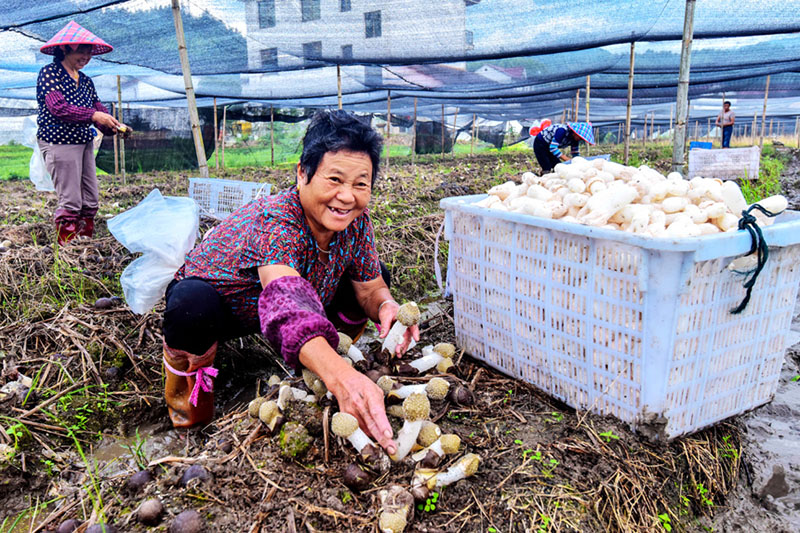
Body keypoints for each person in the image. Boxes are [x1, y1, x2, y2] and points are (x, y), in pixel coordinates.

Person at [162, 110, 417, 456]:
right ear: (302, 174)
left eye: (361, 184)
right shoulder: (277, 219)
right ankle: (190, 418)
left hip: (301, 301)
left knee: (376, 279)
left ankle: (324, 361)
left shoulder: (356, 224)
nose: (346, 196)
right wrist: (341, 376)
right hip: (228, 307)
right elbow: (286, 303)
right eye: (334, 180)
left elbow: (371, 288)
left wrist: (387, 305)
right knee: (190, 304)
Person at [36, 21, 130, 244]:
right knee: (70, 200)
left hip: (84, 142)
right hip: (59, 142)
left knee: (90, 200)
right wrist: (94, 117)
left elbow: (97, 108)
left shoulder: (85, 81)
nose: (86, 57)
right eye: (81, 51)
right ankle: (68, 250)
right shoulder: (50, 73)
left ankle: (84, 242)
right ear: (65, 49)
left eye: (89, 53)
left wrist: (112, 125)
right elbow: (57, 107)